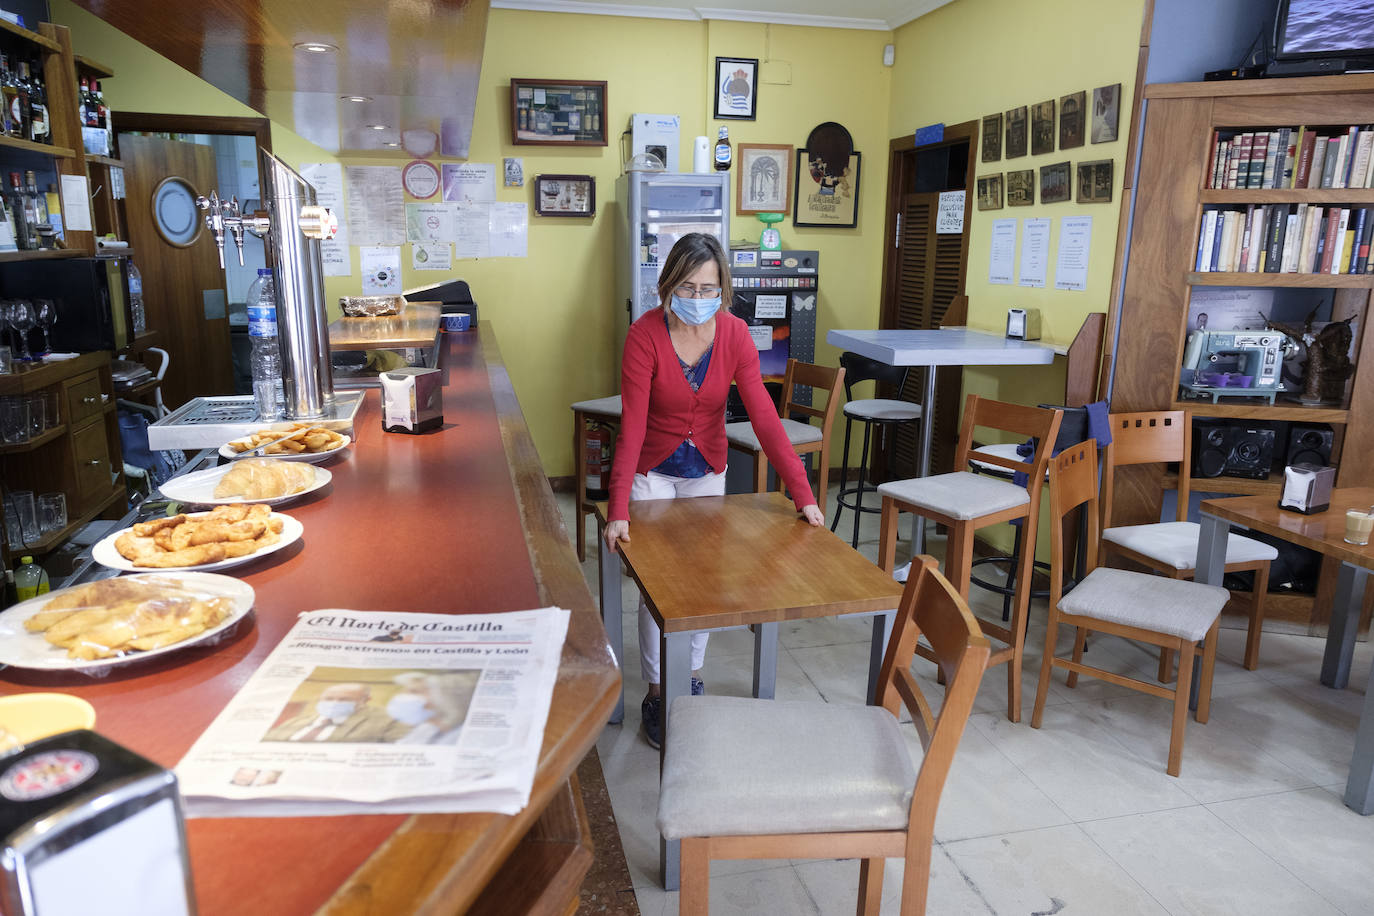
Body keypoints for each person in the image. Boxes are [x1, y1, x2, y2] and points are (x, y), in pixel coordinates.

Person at [603, 232, 825, 748]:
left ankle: (691, 676)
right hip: (652, 470)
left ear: (723, 290)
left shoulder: (734, 335)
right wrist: (618, 507)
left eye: (709, 288)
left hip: (706, 468)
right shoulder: (644, 336)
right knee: (658, 586)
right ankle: (659, 690)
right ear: (667, 286)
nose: (699, 298)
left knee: (702, 579)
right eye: (688, 286)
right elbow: (632, 425)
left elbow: (766, 419)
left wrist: (803, 493)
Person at [264, 682, 409, 743]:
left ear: (365, 700)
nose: (334, 703)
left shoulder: (388, 721)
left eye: (344, 699)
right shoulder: (296, 722)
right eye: (329, 699)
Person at [387, 671, 478, 745]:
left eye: (414, 691)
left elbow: (455, 717)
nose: (405, 695)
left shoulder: (460, 734)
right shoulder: (427, 725)